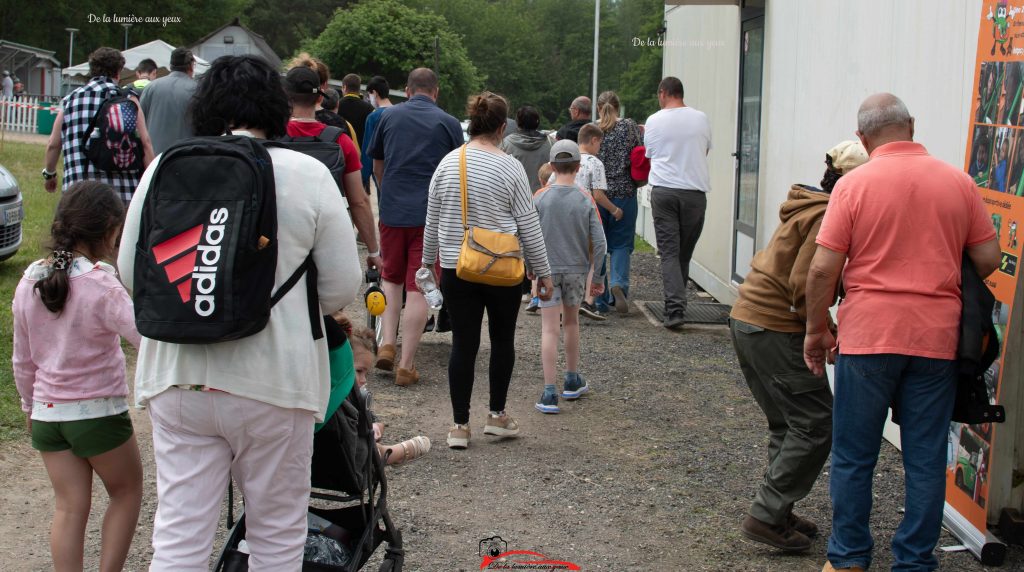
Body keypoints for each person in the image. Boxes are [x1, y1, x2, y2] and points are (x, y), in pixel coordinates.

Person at [117, 55, 362, 570]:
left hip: (178, 373)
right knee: (275, 534)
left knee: (180, 534)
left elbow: (129, 270)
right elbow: (341, 287)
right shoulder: (308, 173)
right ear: (275, 107)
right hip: (275, 379)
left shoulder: (166, 166)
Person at [803, 93, 1001, 572]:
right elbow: (989, 259)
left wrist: (816, 329)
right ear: (911, 125)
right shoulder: (958, 183)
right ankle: (914, 562)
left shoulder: (853, 186)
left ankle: (849, 557)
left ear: (863, 138)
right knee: (926, 458)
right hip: (936, 340)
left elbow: (822, 269)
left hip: (869, 337)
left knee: (854, 455)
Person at [731, 141, 868, 553]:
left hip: (749, 319)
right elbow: (807, 281)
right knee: (816, 423)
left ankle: (779, 509)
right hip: (774, 327)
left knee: (788, 424)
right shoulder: (829, 213)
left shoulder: (808, 204)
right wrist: (821, 328)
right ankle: (767, 515)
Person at [13, 181, 143, 572]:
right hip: (98, 415)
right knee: (127, 492)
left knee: (69, 508)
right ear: (110, 231)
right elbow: (145, 340)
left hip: (48, 417)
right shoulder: (103, 285)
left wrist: (28, 405)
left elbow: (23, 360)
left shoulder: (28, 280)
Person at [422, 91, 552, 449]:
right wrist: (543, 272)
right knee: (502, 341)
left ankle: (459, 426)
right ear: (500, 126)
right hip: (503, 270)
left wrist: (426, 264)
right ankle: (496, 416)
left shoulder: (448, 163)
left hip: (456, 267)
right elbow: (528, 224)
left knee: (463, 344)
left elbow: (431, 220)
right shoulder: (509, 166)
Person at [370, 68, 464, 386]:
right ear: (435, 92)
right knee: (420, 285)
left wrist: (388, 192)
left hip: (392, 211)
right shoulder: (449, 123)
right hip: (430, 217)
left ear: (407, 90)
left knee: (391, 281)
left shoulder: (388, 117)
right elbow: (456, 170)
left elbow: (378, 165)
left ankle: (386, 343)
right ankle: (407, 364)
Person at [284, 64, 382, 273]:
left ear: (286, 97)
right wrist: (373, 251)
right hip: (328, 237)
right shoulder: (340, 140)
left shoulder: (271, 137)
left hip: (284, 239)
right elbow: (359, 201)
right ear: (320, 98)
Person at [533, 140, 606, 414]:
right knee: (572, 323)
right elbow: (600, 243)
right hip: (576, 270)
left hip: (546, 272)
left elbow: (527, 235)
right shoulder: (585, 199)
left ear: (551, 167)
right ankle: (572, 379)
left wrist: (531, 267)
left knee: (549, 329)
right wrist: (597, 277)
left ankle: (549, 392)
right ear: (577, 168)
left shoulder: (539, 197)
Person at [43, 47, 155, 206]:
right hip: (121, 196)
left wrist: (50, 175)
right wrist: (151, 182)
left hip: (78, 193)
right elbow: (145, 143)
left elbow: (53, 144)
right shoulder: (128, 99)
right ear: (119, 72)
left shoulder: (70, 100)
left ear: (92, 70)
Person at [644, 77, 712, 329]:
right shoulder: (701, 118)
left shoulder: (654, 120)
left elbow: (651, 155)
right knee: (683, 253)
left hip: (664, 191)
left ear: (663, 93)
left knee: (670, 253)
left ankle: (674, 310)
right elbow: (704, 151)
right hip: (695, 193)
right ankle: (677, 306)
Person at [328, 315, 432, 464]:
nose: (364, 380)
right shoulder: (343, 398)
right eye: (358, 371)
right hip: (344, 459)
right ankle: (391, 453)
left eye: (366, 373)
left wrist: (376, 425)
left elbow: (368, 419)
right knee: (364, 448)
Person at [592, 90, 642, 317]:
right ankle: (618, 285)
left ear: (598, 108)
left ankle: (599, 297)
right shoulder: (629, 126)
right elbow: (639, 154)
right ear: (618, 107)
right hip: (625, 192)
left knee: (599, 244)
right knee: (621, 244)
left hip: (598, 194)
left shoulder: (593, 130)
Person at [139, 48, 197, 155]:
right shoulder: (197, 90)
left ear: (170, 66)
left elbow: (139, 122)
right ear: (191, 66)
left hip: (154, 158)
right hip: (186, 156)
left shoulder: (151, 87)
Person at [500, 105, 552, 192]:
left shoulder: (505, 144)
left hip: (517, 198)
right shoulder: (551, 144)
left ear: (517, 122)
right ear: (537, 122)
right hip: (544, 197)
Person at [361, 75, 393, 193]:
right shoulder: (400, 113)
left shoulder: (373, 117)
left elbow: (368, 150)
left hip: (380, 170)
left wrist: (363, 177)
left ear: (374, 93)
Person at [337, 73, 374, 153]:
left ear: (344, 87)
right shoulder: (369, 109)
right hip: (360, 155)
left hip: (339, 152)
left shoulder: (336, 106)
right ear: (359, 89)